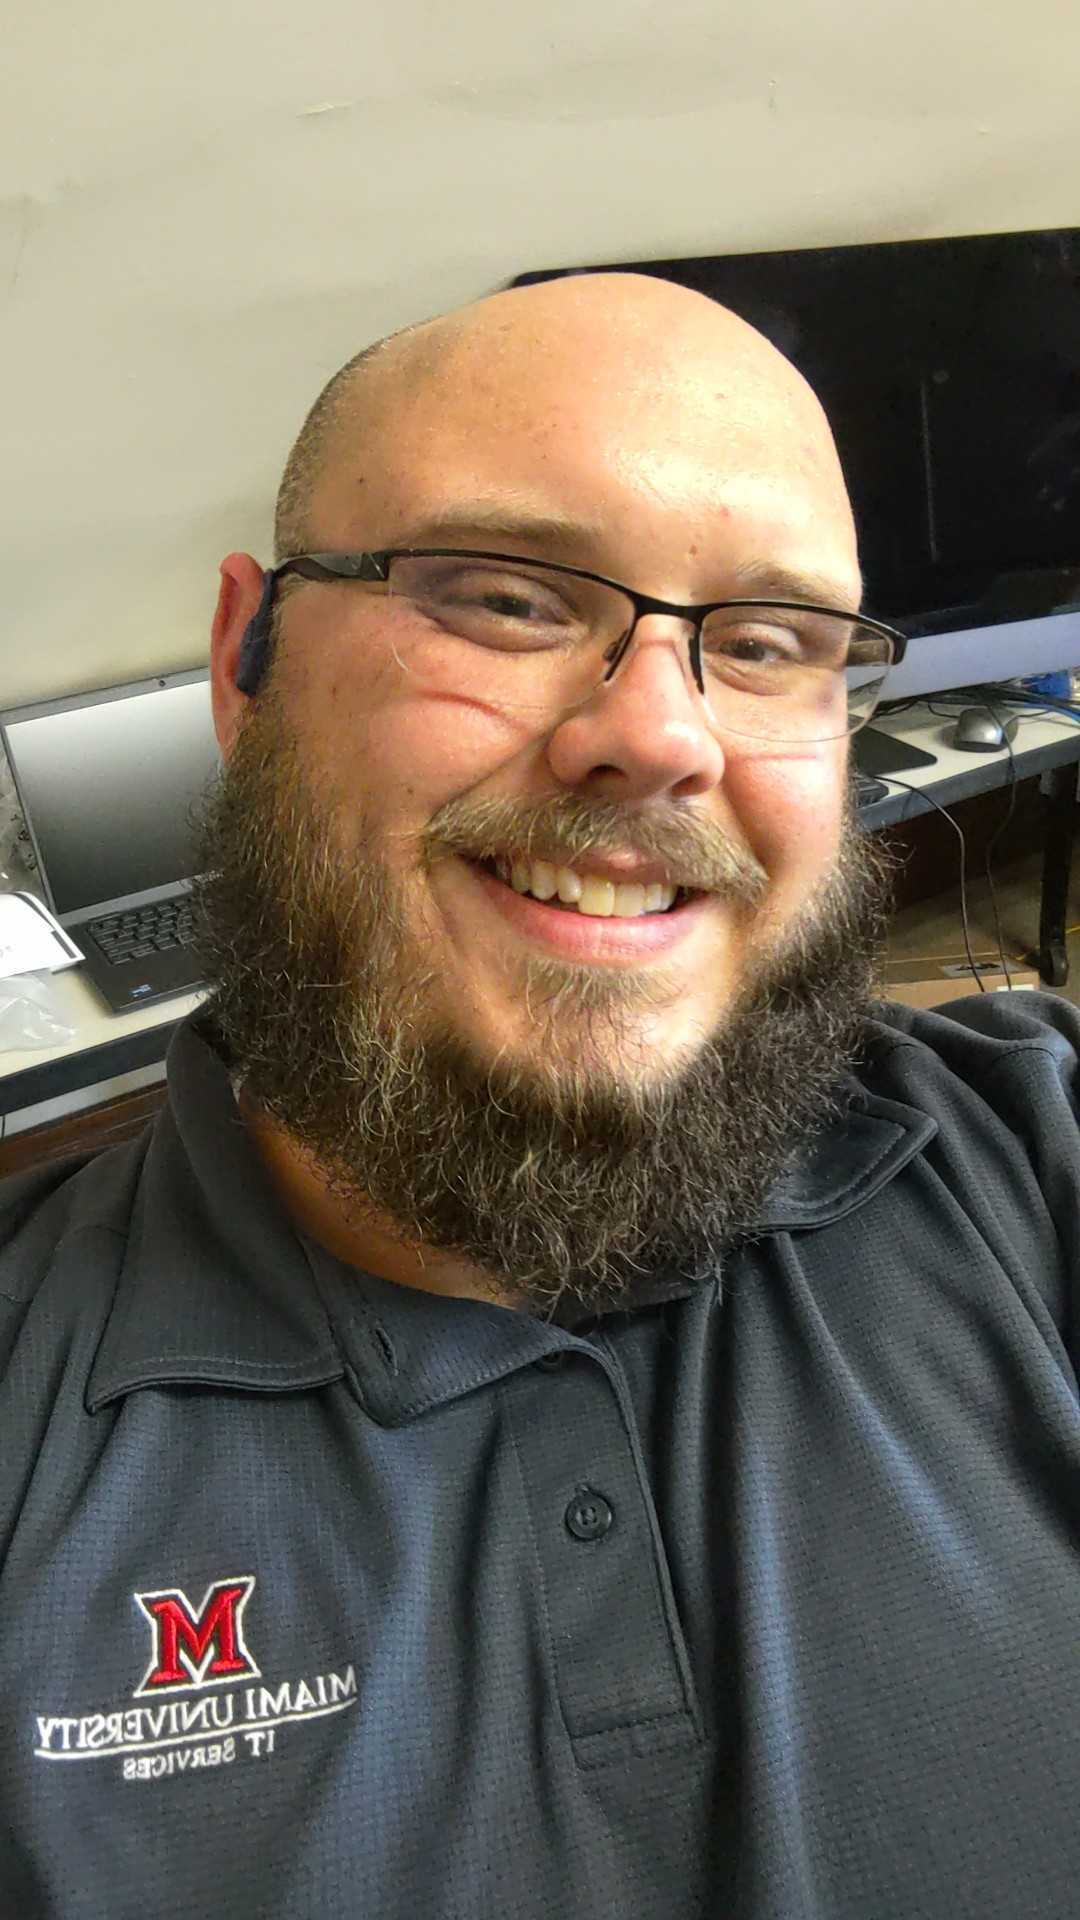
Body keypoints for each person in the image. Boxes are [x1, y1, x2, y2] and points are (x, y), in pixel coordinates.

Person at [2, 271, 1080, 1920]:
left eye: (774, 642)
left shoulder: (1037, 1157)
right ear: (248, 668)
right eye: (508, 598)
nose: (661, 737)